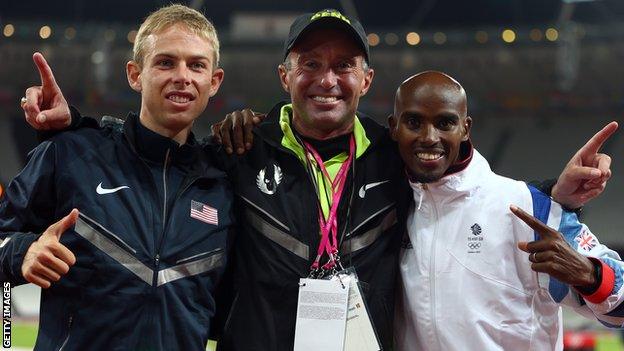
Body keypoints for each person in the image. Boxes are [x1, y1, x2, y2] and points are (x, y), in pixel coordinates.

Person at [20, 9, 613, 350]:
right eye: (311, 64)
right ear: (284, 75)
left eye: (342, 66)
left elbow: (460, 181)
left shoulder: (395, 156)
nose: (326, 79)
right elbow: (153, 156)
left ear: (366, 79)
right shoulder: (237, 151)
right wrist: (78, 131)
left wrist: (556, 202)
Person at [1, 4, 232, 350]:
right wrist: (23, 252)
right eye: (166, 62)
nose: (183, 76)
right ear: (135, 74)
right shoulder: (72, 155)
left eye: (196, 65)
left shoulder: (223, 188)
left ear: (213, 82)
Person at [390, 71, 622, 350]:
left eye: (445, 123)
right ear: (394, 127)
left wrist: (590, 275)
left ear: (465, 128)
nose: (429, 137)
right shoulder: (389, 207)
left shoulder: (528, 207)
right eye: (414, 122)